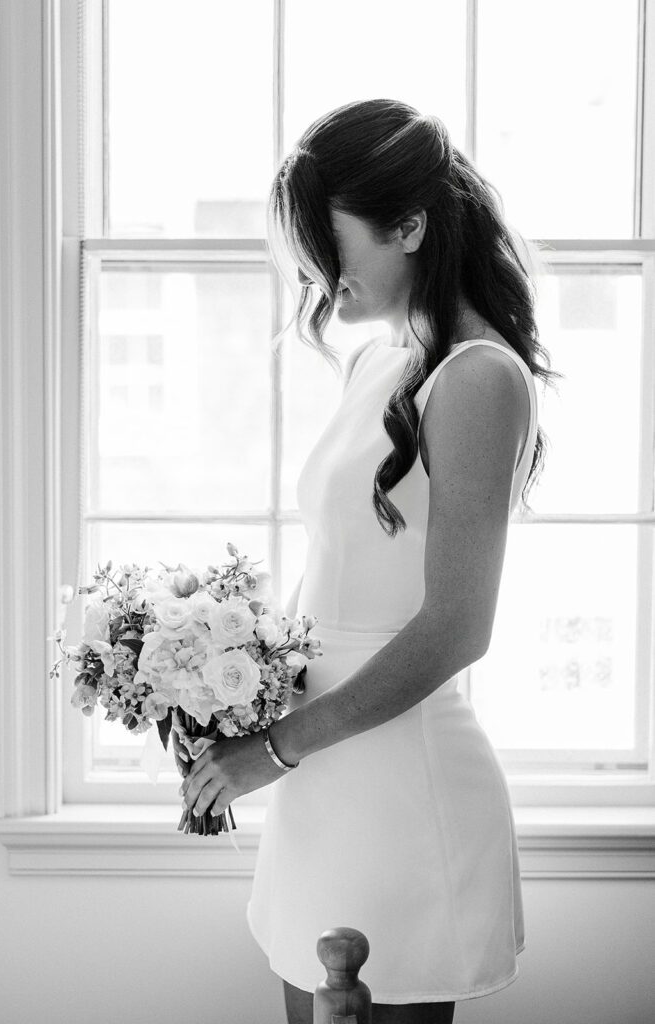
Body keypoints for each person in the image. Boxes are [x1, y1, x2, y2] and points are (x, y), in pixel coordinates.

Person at [178, 99, 560, 1024]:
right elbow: (337, 574)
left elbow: (455, 628)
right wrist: (214, 673)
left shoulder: (477, 377)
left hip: (398, 788)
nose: (311, 269)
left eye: (326, 240)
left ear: (411, 227)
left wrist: (273, 750)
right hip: (317, 778)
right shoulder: (376, 363)